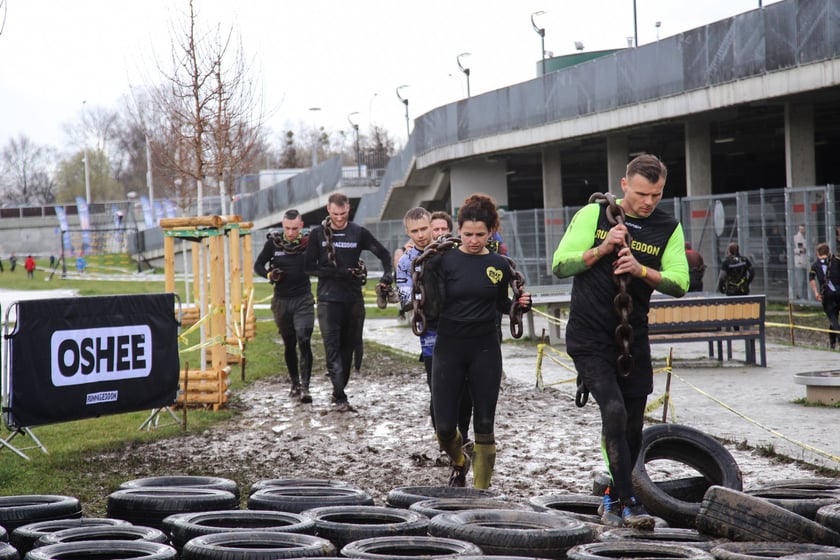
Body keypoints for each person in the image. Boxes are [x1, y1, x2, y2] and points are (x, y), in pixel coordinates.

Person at [552, 154, 689, 529]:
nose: (648, 202)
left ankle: (612, 498)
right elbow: (560, 263)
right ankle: (631, 503)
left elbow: (680, 282)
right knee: (612, 410)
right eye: (642, 193)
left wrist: (641, 270)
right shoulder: (594, 215)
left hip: (632, 338)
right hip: (589, 335)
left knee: (630, 425)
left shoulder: (668, 226)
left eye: (657, 195)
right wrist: (602, 250)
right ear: (625, 184)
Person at [419, 194, 531, 489]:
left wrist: (518, 305)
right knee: (444, 426)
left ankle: (481, 491)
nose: (472, 240)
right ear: (458, 229)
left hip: (484, 348)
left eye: (480, 234)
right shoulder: (442, 260)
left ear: (491, 231)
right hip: (449, 346)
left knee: (484, 424)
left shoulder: (499, 265)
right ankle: (459, 460)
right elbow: (429, 307)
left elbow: (500, 304)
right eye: (467, 234)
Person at [304, 192, 393, 412]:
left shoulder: (358, 233)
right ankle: (342, 398)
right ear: (328, 210)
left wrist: (386, 277)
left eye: (343, 214)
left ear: (348, 209)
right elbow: (308, 266)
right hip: (327, 301)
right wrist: (336, 273)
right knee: (332, 348)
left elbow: (384, 255)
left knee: (348, 349)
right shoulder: (317, 235)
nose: (340, 218)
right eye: (335, 214)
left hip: (353, 301)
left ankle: (337, 390)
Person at [396, 208, 473, 451]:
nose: (420, 235)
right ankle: (445, 440)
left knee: (465, 387)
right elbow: (405, 298)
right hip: (430, 331)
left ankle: (464, 433)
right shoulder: (406, 261)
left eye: (424, 229)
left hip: (459, 325)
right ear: (408, 233)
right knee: (438, 387)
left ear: (432, 226)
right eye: (414, 231)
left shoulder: (450, 251)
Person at [254, 209, 316, 403]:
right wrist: (269, 275)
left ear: (301, 226)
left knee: (304, 339)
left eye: (294, 228)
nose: (290, 233)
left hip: (303, 299)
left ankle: (306, 387)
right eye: (287, 228)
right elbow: (258, 265)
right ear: (282, 226)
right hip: (281, 301)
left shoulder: (308, 244)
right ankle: (295, 383)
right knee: (289, 343)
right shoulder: (273, 243)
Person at [809, 243, 840, 350]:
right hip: (839, 292)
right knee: (834, 319)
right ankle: (832, 343)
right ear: (828, 252)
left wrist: (816, 293)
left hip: (827, 295)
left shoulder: (815, 265)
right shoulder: (836, 260)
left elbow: (811, 280)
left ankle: (838, 338)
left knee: (833, 318)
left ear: (817, 253)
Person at [793, 224, 809, 299]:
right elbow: (792, 249)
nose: (802, 230)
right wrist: (800, 250)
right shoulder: (795, 238)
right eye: (801, 229)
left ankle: (806, 297)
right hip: (799, 262)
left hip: (807, 262)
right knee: (800, 281)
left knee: (806, 282)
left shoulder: (808, 237)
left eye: (803, 229)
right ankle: (800, 297)